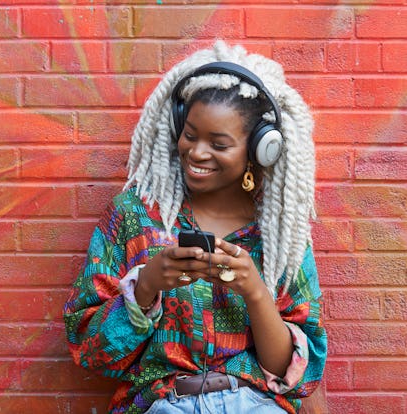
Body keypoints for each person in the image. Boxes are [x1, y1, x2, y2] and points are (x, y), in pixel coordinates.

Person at [63, 41, 327, 414]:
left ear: (258, 150)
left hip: (255, 403)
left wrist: (255, 291)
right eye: (190, 135)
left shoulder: (282, 235)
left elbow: (298, 373)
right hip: (163, 403)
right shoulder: (133, 217)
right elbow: (89, 351)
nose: (197, 153)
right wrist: (147, 286)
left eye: (218, 144)